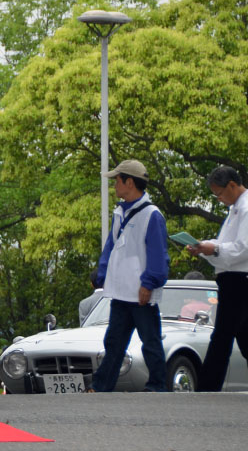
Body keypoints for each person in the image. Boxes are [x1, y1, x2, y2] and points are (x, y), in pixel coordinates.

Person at [91, 159, 169, 392]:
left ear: (130, 183)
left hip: (140, 290)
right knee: (114, 341)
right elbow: (111, 246)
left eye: (118, 180)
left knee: (150, 340)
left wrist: (149, 283)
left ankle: (157, 386)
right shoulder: (120, 212)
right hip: (121, 290)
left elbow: (158, 254)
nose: (115, 185)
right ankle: (101, 386)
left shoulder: (152, 214)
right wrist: (103, 273)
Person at [186, 165, 248, 391]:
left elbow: (243, 248)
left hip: (239, 278)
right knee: (241, 334)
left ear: (232, 185)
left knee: (222, 336)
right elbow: (225, 244)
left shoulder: (246, 208)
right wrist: (204, 247)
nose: (219, 199)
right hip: (233, 278)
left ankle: (207, 387)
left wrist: (213, 249)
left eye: (219, 194)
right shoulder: (235, 209)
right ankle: (208, 386)